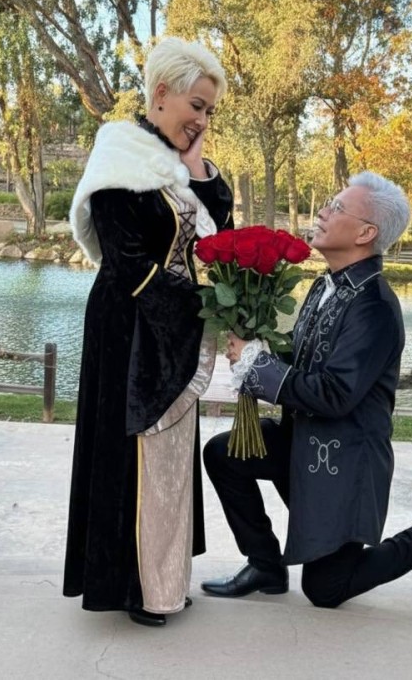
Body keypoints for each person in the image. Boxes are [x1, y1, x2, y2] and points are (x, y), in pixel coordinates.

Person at [201, 172, 412, 609]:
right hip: (302, 441)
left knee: (325, 589)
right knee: (224, 453)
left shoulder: (374, 306)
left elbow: (335, 393)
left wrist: (258, 367)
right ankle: (265, 564)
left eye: (336, 207)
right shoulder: (327, 285)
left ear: (365, 233)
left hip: (343, 461)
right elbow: (309, 360)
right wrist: (258, 345)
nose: (322, 212)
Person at [63, 37, 233, 627]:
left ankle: (165, 579)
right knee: (132, 455)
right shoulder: (119, 157)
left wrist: (197, 167)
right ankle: (132, 586)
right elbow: (128, 262)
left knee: (170, 458)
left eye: (209, 110)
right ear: (161, 93)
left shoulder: (175, 166)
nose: (202, 119)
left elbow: (217, 235)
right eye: (196, 106)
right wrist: (204, 309)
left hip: (173, 327)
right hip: (130, 329)